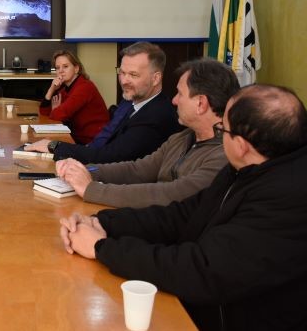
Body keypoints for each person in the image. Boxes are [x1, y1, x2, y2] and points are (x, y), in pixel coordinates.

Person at [59, 84, 307, 330]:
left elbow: (203, 270)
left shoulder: (288, 199)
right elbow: (181, 214)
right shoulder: (246, 168)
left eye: (223, 129)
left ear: (241, 145)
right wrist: (102, 222)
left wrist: (101, 248)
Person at [55, 58, 239, 208]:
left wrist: (91, 189)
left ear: (201, 103)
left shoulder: (225, 155)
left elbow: (170, 194)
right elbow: (138, 170)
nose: (174, 100)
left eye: (180, 94)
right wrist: (84, 170)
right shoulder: (182, 138)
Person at [25, 42, 181, 163]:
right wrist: (82, 150)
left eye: (133, 75)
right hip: (95, 154)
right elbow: (105, 136)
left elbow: (113, 156)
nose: (124, 81)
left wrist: (55, 147)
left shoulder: (157, 116)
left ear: (156, 78)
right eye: (122, 73)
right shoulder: (130, 100)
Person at [39, 50, 109, 144]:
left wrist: (55, 110)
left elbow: (57, 115)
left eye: (65, 66)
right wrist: (52, 89)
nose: (61, 71)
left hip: (93, 142)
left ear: (76, 68)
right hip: (77, 136)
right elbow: (44, 112)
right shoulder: (66, 88)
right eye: (57, 68)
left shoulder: (84, 87)